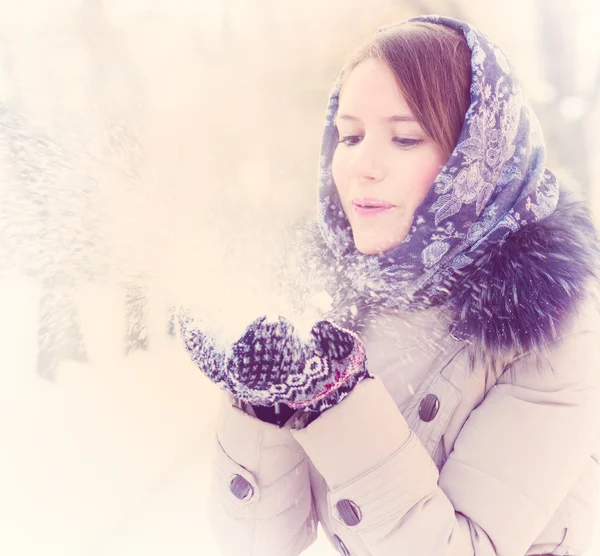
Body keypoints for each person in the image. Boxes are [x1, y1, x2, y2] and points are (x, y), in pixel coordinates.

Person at [180, 15, 600, 555]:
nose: (362, 165)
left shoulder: (555, 324)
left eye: (404, 138)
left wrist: (334, 401)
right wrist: (261, 405)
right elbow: (259, 543)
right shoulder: (332, 293)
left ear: (477, 157)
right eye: (349, 136)